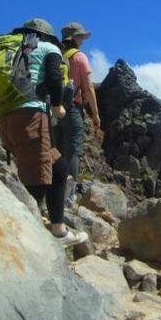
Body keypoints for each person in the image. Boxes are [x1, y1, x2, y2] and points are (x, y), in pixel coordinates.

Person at [0, 18, 87, 248]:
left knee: (59, 169)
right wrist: (58, 107)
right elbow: (55, 75)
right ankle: (16, 243)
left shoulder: (9, 49)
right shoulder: (48, 48)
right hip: (31, 121)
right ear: (46, 35)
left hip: (7, 123)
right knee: (35, 185)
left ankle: (58, 230)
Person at [58, 22, 101, 200]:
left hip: (54, 107)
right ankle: (68, 195)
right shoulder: (79, 57)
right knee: (73, 150)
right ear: (74, 38)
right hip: (73, 108)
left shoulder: (58, 56)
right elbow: (88, 87)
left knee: (58, 149)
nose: (83, 40)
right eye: (81, 37)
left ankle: (54, 189)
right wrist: (95, 114)